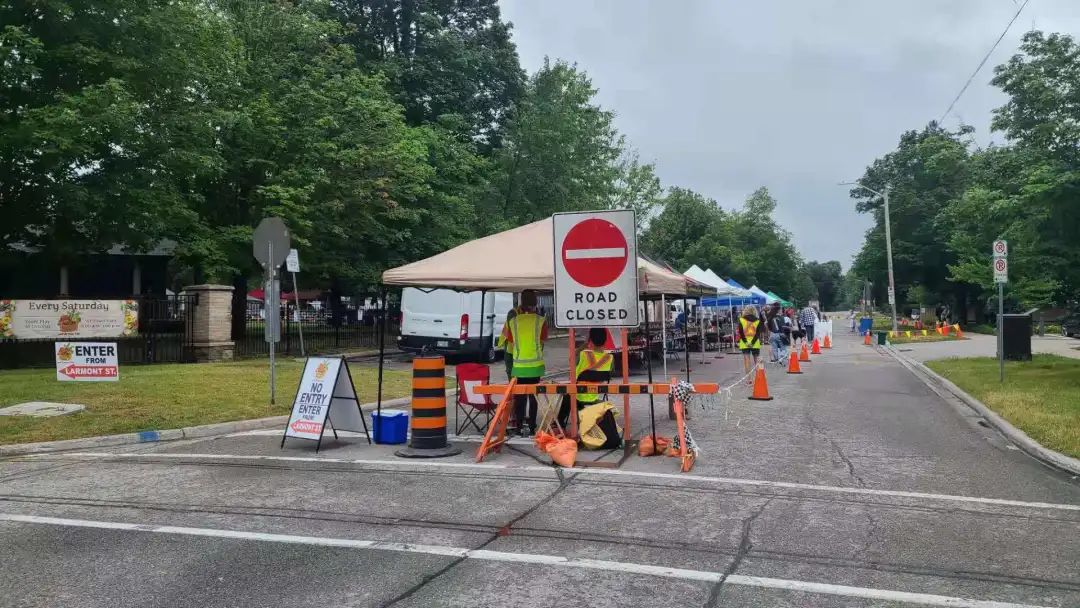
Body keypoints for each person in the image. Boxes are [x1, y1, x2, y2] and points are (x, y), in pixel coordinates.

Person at [501, 290, 548, 436]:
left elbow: (510, 340)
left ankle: (519, 426)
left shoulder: (513, 321)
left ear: (521, 302)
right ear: (536, 303)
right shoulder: (541, 321)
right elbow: (543, 340)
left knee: (520, 397)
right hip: (535, 366)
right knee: (534, 397)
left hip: (519, 366)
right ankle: (533, 426)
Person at [558, 328, 613, 428]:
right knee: (571, 396)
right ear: (605, 340)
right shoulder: (609, 358)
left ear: (590, 339)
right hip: (594, 395)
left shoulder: (584, 354)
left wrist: (584, 345)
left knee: (568, 395)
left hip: (578, 394)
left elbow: (571, 360)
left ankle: (558, 423)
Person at [736, 304, 764, 375]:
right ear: (754, 311)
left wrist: (746, 342)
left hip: (744, 343)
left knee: (747, 361)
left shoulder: (741, 320)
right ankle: (759, 378)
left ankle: (748, 380)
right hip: (755, 343)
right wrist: (752, 342)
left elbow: (741, 333)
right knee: (756, 361)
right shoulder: (758, 320)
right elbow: (758, 334)